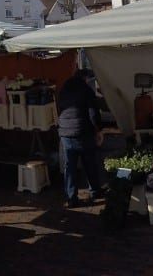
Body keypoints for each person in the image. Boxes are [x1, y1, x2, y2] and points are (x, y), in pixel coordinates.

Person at [56, 67, 104, 208]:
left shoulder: (64, 89)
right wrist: (99, 130)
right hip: (83, 131)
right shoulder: (86, 90)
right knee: (89, 162)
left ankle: (71, 198)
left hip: (65, 132)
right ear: (85, 78)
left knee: (69, 167)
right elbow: (93, 114)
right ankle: (94, 191)